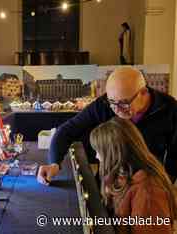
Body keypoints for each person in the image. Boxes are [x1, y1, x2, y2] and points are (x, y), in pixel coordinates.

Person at [37, 67, 177, 185]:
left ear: (143, 93)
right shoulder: (105, 104)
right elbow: (67, 130)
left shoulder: (170, 108)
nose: (117, 110)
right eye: (112, 102)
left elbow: (175, 155)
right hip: (108, 182)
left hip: (146, 184)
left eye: (124, 103)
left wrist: (165, 185)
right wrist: (54, 163)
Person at [90, 117, 176, 234]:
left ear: (114, 153)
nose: (97, 157)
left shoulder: (148, 191)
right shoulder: (122, 174)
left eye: (99, 151)